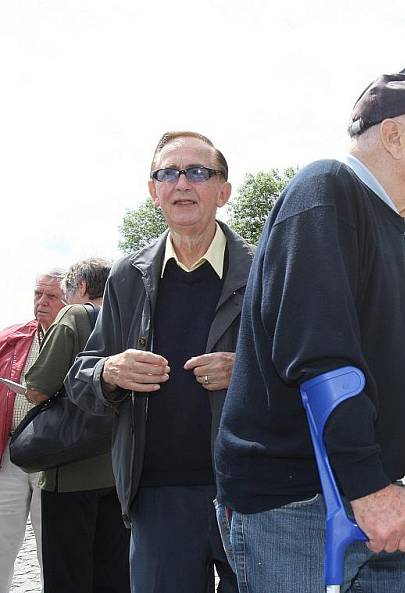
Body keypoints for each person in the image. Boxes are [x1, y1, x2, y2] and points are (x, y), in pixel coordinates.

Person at [214, 73, 405, 593]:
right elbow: (319, 358)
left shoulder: (396, 235)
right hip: (300, 503)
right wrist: (369, 488)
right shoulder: (325, 190)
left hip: (376, 493)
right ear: (394, 136)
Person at [66, 131, 253, 593]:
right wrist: (110, 371)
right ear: (154, 192)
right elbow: (80, 377)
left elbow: (302, 368)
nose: (182, 183)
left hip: (251, 492)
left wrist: (245, 369)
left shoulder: (265, 267)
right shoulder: (127, 276)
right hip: (156, 498)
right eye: (168, 173)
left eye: (198, 172)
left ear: (223, 191)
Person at [24, 258, 130, 593]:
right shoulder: (131, 316)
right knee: (113, 576)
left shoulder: (76, 315)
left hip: (70, 472)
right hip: (119, 469)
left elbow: (38, 387)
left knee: (67, 577)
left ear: (81, 286)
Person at [0, 270, 66, 593]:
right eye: (38, 294)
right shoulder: (11, 338)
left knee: (51, 546)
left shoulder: (75, 338)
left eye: (51, 296)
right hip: (10, 452)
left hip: (51, 457)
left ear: (66, 301)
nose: (41, 303)